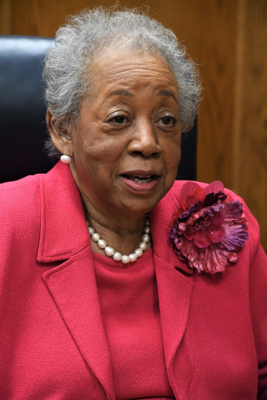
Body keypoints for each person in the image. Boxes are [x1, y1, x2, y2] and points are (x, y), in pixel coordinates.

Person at [0, 7, 266, 400]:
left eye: (166, 119)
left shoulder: (221, 220)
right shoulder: (7, 226)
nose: (148, 142)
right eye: (120, 118)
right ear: (62, 130)